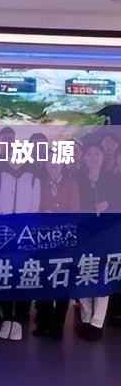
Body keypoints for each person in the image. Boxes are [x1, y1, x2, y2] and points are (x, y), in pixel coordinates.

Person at [0, 128, 41, 341]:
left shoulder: (34, 179)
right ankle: (6, 317)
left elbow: (34, 210)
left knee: (21, 277)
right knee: (5, 276)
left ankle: (18, 319)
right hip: (2, 236)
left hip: (23, 236)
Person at [34, 160, 80, 340]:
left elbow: (75, 212)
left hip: (64, 240)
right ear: (45, 166)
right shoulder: (39, 183)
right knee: (44, 281)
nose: (53, 166)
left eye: (56, 163)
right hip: (44, 239)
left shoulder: (71, 184)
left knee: (62, 282)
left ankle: (58, 325)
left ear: (62, 165)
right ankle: (43, 322)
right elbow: (35, 209)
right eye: (49, 164)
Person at [77, 142, 112, 341]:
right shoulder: (78, 179)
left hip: (105, 236)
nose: (93, 157)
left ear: (103, 157)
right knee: (83, 274)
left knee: (102, 278)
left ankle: (97, 322)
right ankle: (85, 317)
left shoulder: (112, 180)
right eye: (89, 153)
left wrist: (110, 204)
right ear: (83, 157)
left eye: (97, 153)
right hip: (84, 235)